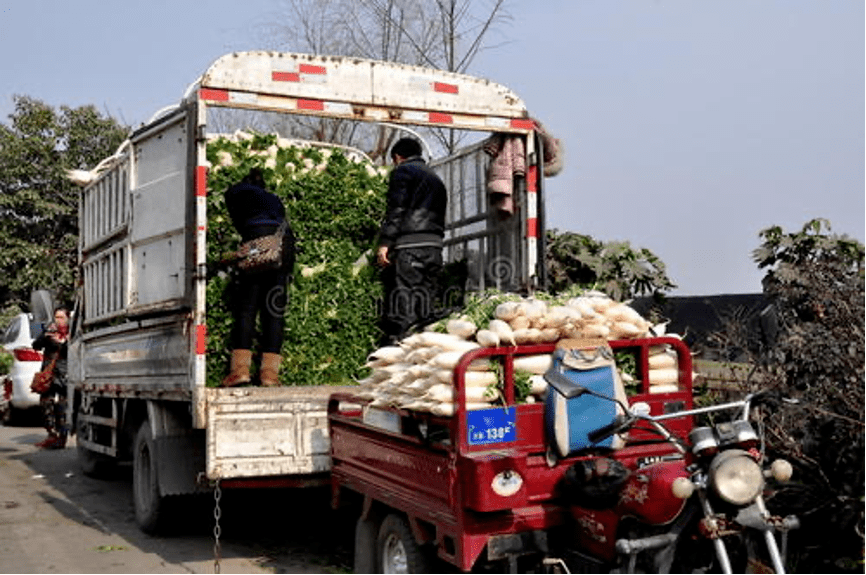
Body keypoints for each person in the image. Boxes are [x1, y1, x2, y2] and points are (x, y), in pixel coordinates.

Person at [222, 167, 295, 387]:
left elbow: (239, 223)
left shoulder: (235, 192)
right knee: (274, 313)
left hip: (257, 248)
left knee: (247, 309)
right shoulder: (274, 199)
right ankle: (269, 375)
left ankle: (240, 371)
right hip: (283, 250)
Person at [377, 137, 448, 343]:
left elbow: (397, 209)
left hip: (411, 246)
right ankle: (423, 352)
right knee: (425, 307)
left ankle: (400, 355)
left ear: (398, 157)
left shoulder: (403, 172)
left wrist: (385, 243)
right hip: (434, 248)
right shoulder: (435, 178)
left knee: (404, 305)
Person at [32, 306, 70, 449]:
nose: (58, 321)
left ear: (68, 319)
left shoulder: (72, 334)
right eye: (56, 317)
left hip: (65, 375)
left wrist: (62, 343)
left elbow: (74, 351)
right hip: (49, 375)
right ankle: (51, 434)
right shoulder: (50, 332)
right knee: (45, 404)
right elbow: (35, 345)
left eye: (61, 317)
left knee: (63, 407)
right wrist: (44, 336)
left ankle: (62, 437)